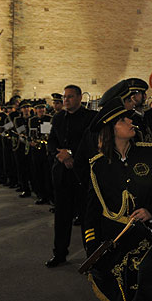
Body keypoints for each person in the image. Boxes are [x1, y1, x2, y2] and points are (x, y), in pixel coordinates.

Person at [84, 98, 152, 301]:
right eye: (123, 120)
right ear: (111, 129)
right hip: (113, 240)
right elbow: (92, 210)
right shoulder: (98, 166)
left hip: (147, 234)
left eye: (129, 119)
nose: (131, 123)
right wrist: (93, 246)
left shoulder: (148, 154)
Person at [46, 84, 97, 267]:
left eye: (70, 97)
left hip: (82, 175)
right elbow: (52, 141)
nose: (66, 100)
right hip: (62, 174)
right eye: (64, 97)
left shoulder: (91, 118)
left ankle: (91, 256)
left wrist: (72, 154)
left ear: (79, 98)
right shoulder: (58, 118)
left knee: (86, 217)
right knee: (62, 216)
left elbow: (91, 143)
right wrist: (59, 155)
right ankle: (59, 253)